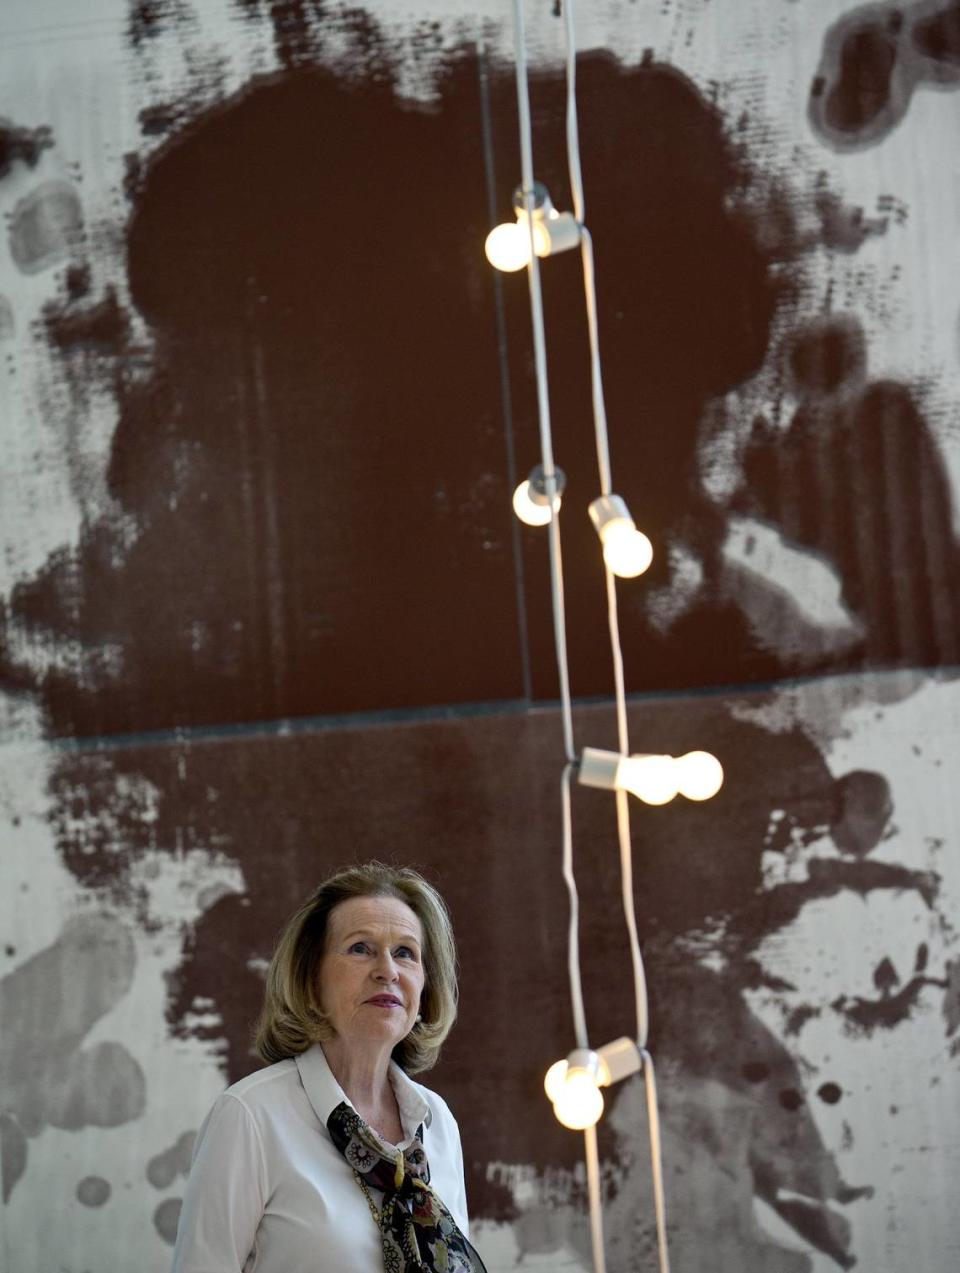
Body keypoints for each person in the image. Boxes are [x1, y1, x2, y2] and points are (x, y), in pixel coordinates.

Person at [171, 861, 487, 1272]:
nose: (387, 970)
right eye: (361, 948)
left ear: (424, 986)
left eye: (405, 953)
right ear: (311, 978)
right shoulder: (250, 1116)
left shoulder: (437, 1122)